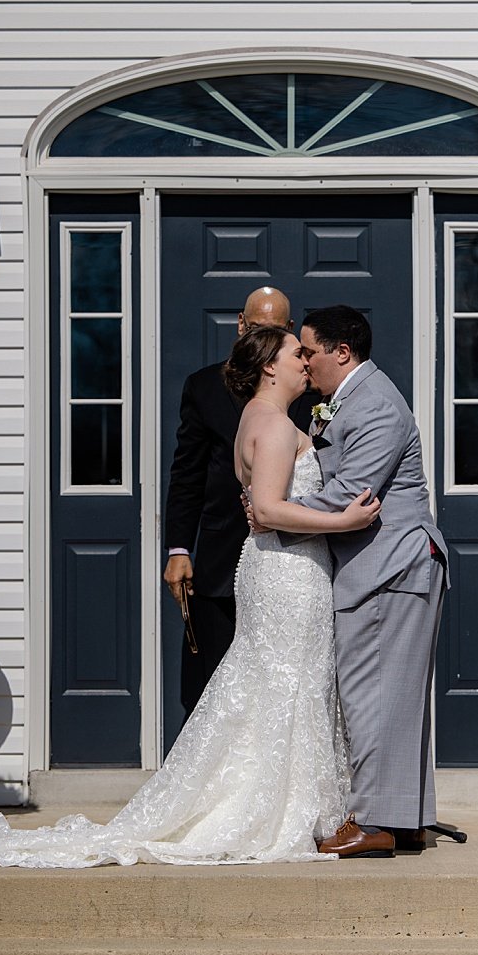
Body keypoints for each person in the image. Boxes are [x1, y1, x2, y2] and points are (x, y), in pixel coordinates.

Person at [0, 327, 379, 867]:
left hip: (273, 570)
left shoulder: (256, 419)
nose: (305, 362)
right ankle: (282, 810)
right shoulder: (275, 427)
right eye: (295, 353)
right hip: (287, 571)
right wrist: (344, 519)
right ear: (269, 365)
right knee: (289, 682)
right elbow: (266, 510)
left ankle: (299, 803)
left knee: (274, 682)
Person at [293, 305, 449, 859]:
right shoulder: (351, 400)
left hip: (390, 564)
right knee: (395, 695)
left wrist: (273, 512)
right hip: (385, 566)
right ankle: (406, 819)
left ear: (342, 352)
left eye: (309, 350)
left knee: (375, 694)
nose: (302, 361)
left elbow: (350, 494)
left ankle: (378, 821)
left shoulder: (377, 405)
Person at [163, 286, 312, 719]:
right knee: (210, 688)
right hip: (220, 559)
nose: (261, 336)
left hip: (292, 565)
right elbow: (187, 475)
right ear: (240, 325)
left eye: (275, 330)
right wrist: (178, 549)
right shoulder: (204, 386)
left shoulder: (311, 390)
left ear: (288, 332)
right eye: (255, 327)